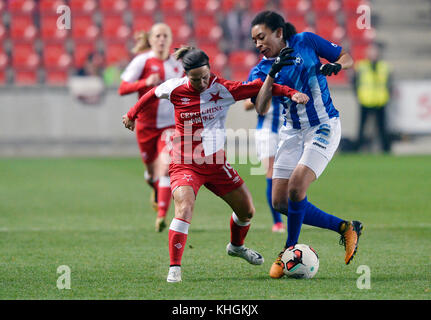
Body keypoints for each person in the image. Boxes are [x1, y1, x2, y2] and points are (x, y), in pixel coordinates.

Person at [122, 46, 309, 282]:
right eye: (195, 78)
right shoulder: (174, 88)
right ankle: (175, 268)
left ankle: (236, 247)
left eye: (204, 76)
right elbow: (151, 94)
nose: (201, 82)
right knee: (185, 207)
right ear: (185, 74)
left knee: (247, 210)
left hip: (215, 162)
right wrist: (131, 114)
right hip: (184, 162)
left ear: (210, 70)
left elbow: (261, 87)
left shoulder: (223, 89)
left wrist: (292, 93)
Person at [249, 11, 363, 279]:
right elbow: (261, 108)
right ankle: (346, 227)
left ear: (278, 32)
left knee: (297, 186)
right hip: (291, 132)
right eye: (254, 40)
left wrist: (339, 67)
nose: (258, 44)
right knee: (279, 201)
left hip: (323, 125)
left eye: (261, 37)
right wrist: (271, 74)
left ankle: (288, 250)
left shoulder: (307, 41)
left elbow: (347, 57)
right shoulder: (260, 68)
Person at [118, 23, 184, 232]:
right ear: (151, 39)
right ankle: (155, 188)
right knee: (151, 173)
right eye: (158, 36)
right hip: (146, 125)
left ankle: (162, 215)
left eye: (165, 35)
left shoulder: (177, 65)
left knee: (165, 166)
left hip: (170, 126)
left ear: (170, 39)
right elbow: (122, 88)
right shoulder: (142, 61)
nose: (162, 39)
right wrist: (145, 81)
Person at [243, 97, 286, 232]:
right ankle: (278, 222)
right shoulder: (258, 75)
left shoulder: (293, 75)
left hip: (290, 129)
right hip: (267, 131)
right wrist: (265, 93)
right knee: (272, 173)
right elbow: (247, 105)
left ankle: (294, 216)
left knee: (291, 176)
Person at [353, 42, 392, 153]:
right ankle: (358, 148)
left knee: (382, 127)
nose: (373, 54)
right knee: (362, 127)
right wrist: (359, 95)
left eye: (375, 51)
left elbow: (389, 83)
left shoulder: (384, 67)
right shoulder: (361, 66)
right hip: (365, 100)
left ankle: (386, 148)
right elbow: (355, 83)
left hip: (380, 100)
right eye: (371, 51)